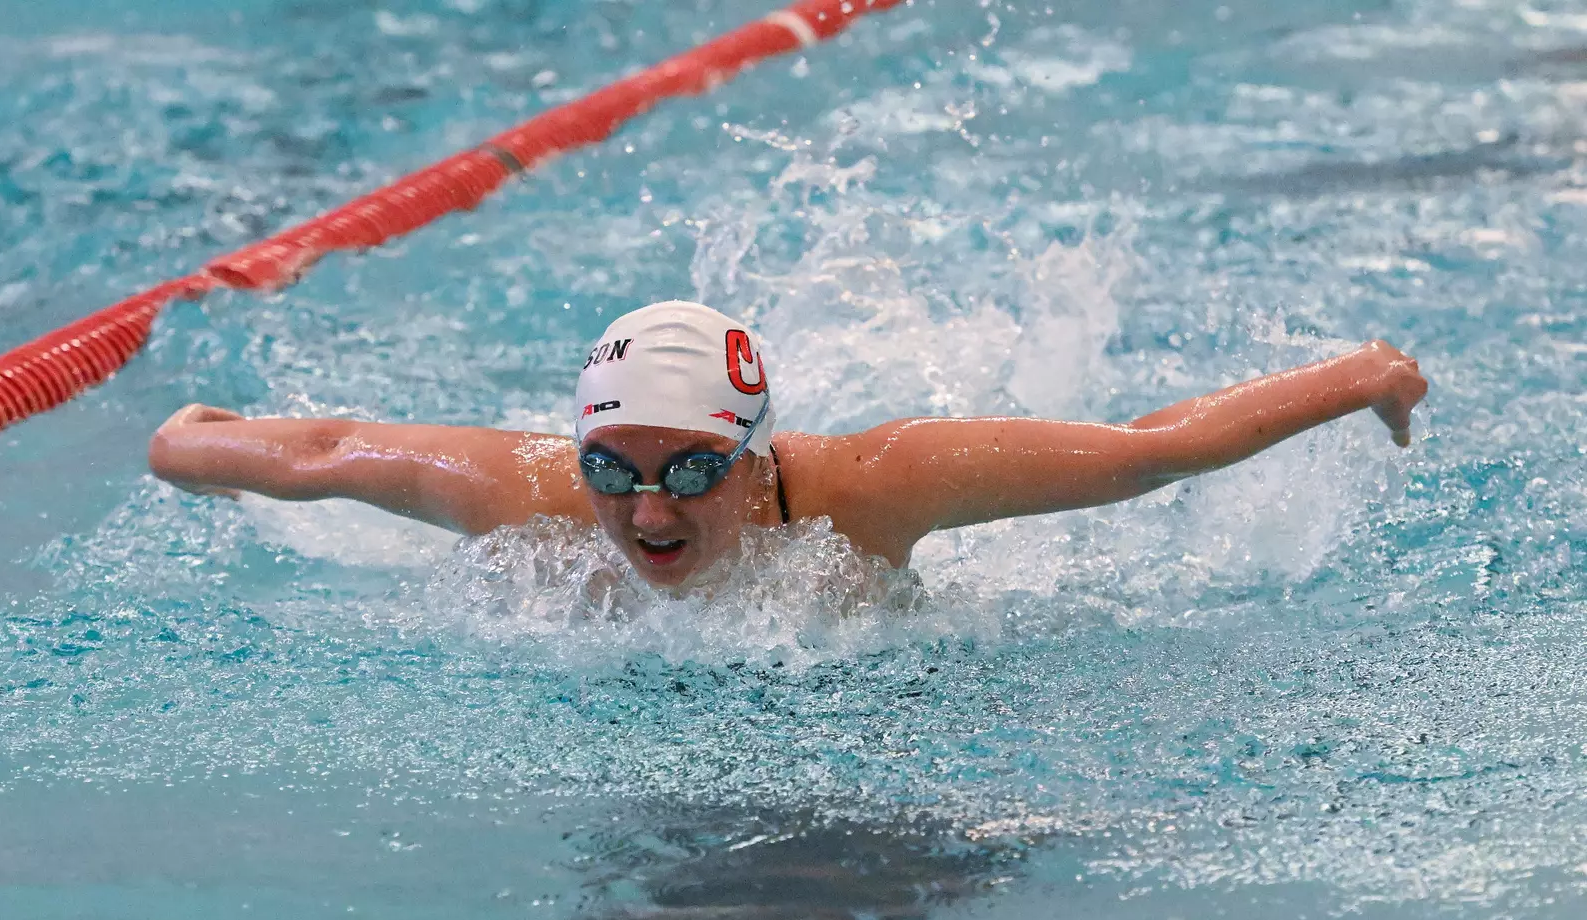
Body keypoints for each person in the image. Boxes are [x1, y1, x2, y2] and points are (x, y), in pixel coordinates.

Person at [149, 300, 1428, 589]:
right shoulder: (526, 494)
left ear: (755, 459)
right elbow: (320, 450)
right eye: (616, 467)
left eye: (691, 467)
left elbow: (1151, 449)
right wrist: (186, 437)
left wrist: (1359, 374)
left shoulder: (873, 490)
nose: (646, 505)